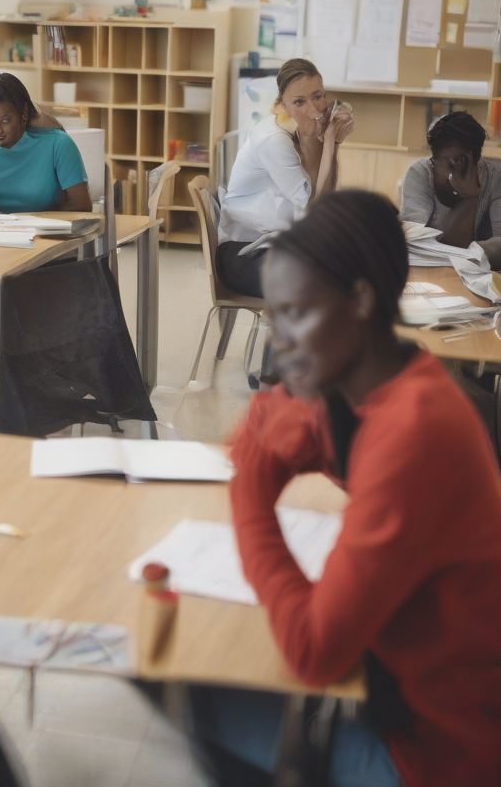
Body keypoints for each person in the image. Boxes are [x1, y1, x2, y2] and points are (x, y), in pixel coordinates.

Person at [175, 190, 501, 785]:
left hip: (438, 754)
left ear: (358, 300)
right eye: (276, 318)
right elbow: (308, 433)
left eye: (298, 313)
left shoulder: (415, 434)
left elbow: (314, 650)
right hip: (413, 693)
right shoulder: (395, 382)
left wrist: (251, 490)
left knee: (184, 680)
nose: (280, 342)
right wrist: (302, 426)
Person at [217, 58, 353, 298]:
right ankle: (292, 336)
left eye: (318, 97)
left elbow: (322, 198)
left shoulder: (303, 133)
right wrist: (331, 141)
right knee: (328, 283)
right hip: (244, 255)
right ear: (282, 106)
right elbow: (314, 211)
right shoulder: (275, 140)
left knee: (350, 265)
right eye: (299, 102)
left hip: (278, 244)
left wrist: (330, 142)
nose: (313, 110)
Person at [0, 72, 91, 213]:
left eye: (6, 120)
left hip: (41, 234)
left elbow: (82, 206)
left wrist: (34, 223)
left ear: (23, 113)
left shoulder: (59, 144)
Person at [400, 109, 501, 268]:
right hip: (429, 273)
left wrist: (471, 197)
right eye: (438, 162)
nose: (448, 173)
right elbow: (413, 238)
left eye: (458, 162)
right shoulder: (421, 173)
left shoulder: (496, 177)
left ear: (474, 160)